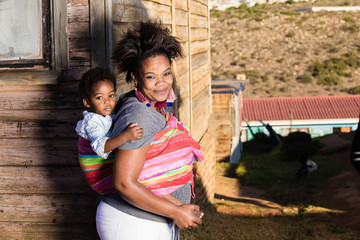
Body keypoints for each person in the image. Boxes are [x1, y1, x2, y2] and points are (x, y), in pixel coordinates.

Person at [93, 20, 204, 240]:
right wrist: (175, 211)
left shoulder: (146, 106)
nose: (162, 83)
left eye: (166, 73)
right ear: (135, 77)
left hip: (144, 221)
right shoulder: (140, 115)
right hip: (134, 223)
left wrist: (179, 206)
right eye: (151, 76)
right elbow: (124, 182)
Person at [76, 67, 143, 160]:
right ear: (87, 102)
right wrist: (126, 136)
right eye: (100, 97)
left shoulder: (108, 114)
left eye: (111, 95)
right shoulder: (92, 122)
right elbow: (101, 148)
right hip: (96, 168)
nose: (107, 101)